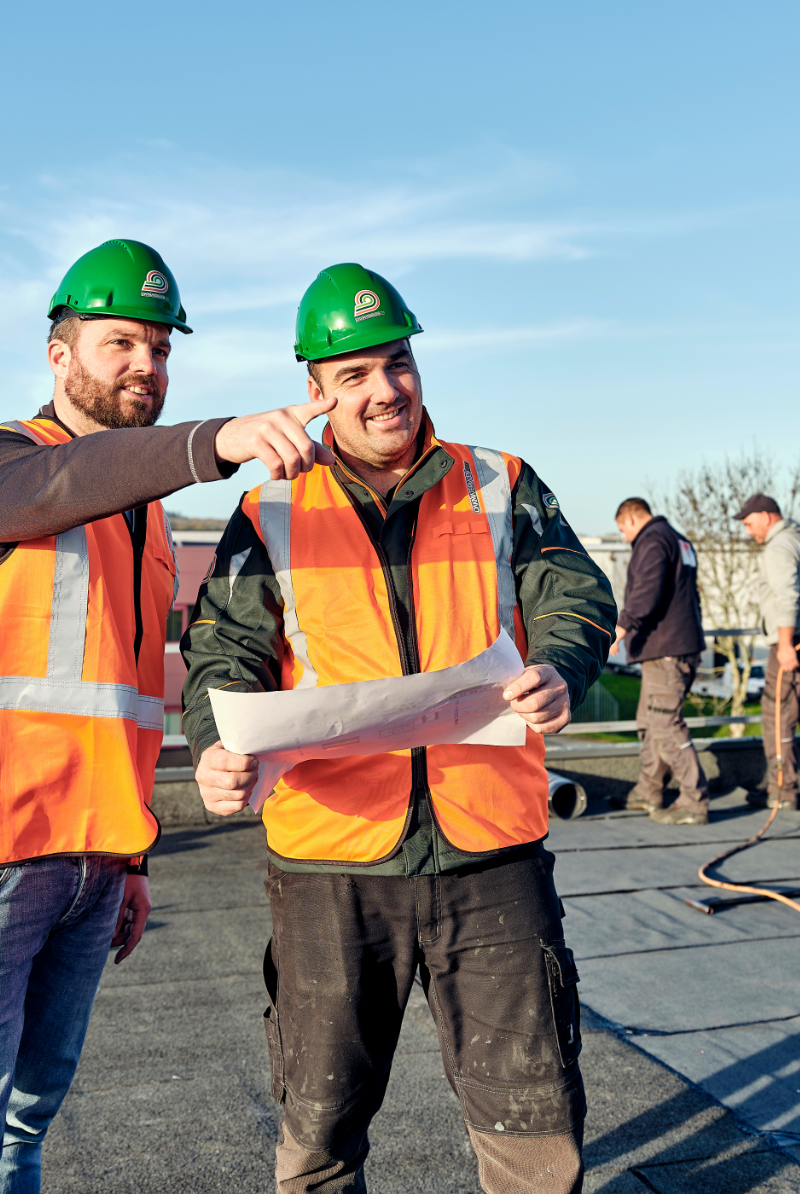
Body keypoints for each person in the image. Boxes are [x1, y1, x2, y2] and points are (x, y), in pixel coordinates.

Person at [181, 263, 617, 1194]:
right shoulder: (271, 509)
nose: (385, 391)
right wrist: (216, 748)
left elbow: (575, 591)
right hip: (330, 865)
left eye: (398, 363)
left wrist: (562, 666)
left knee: (533, 1126)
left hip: (492, 852)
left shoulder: (501, 482)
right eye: (354, 375)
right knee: (320, 1128)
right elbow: (223, 652)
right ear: (315, 392)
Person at [0, 238, 339, 1192]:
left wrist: (135, 853)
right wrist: (213, 441)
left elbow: (124, 695)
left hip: (94, 858)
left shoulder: (143, 517)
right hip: (7, 848)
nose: (146, 365)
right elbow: (52, 487)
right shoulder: (14, 462)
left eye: (160, 348)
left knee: (29, 1119)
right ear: (59, 354)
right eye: (121, 344)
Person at [609, 497, 709, 824]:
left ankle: (694, 802)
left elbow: (646, 593)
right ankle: (648, 791)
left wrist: (620, 628)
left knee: (666, 724)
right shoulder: (678, 539)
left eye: (623, 529)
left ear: (632, 518)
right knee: (650, 723)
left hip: (666, 649)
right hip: (677, 646)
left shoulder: (651, 540)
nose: (625, 537)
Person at [734, 493, 800, 811]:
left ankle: (783, 790)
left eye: (749, 523)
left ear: (766, 516)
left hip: (788, 642)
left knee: (778, 714)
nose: (748, 531)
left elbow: (788, 596)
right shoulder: (795, 538)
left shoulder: (779, 547)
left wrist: (785, 643)